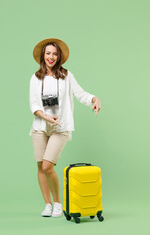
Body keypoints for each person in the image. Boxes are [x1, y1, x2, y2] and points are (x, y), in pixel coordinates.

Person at [29, 38, 101, 218]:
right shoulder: (36, 78)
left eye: (54, 54)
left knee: (47, 167)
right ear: (42, 56)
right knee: (40, 167)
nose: (51, 57)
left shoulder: (67, 76)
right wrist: (45, 117)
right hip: (40, 125)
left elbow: (80, 93)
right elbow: (34, 104)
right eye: (48, 54)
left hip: (60, 126)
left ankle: (57, 203)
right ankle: (47, 205)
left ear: (59, 56)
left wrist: (93, 99)